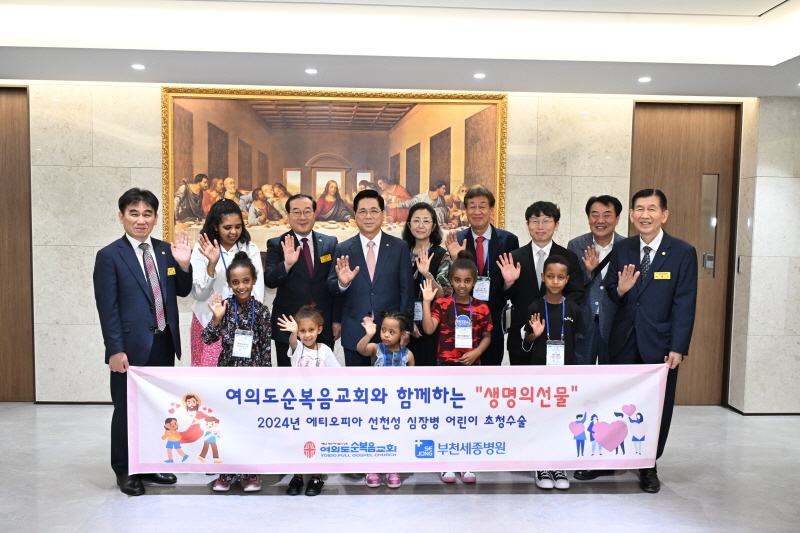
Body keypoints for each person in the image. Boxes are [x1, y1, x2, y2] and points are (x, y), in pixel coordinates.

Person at [93, 188, 193, 496]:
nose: (141, 220)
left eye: (147, 214)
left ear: (155, 217)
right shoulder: (110, 255)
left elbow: (182, 290)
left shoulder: (164, 251)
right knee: (126, 410)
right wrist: (115, 349)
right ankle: (125, 470)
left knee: (156, 409)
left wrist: (184, 264)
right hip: (130, 347)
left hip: (164, 343)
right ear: (121, 216)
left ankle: (149, 464)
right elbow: (107, 308)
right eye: (134, 214)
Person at [602, 188, 698, 493]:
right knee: (616, 402)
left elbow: (685, 303)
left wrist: (678, 346)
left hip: (660, 344)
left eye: (652, 209)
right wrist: (620, 290)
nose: (645, 215)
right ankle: (609, 459)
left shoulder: (682, 252)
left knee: (657, 406)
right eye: (640, 209)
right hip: (623, 341)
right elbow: (610, 289)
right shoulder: (623, 248)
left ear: (664, 215)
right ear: (631, 215)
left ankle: (648, 464)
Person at [202, 251, 272, 492]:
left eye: (245, 281)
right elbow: (207, 338)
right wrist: (216, 319)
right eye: (235, 282)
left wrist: (265, 380)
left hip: (253, 377)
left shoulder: (262, 312)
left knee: (249, 425)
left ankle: (250, 473)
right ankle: (226, 473)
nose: (241, 286)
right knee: (227, 424)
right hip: (228, 376)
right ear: (230, 284)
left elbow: (265, 348)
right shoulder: (224, 307)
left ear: (254, 281)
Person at [421, 251, 491, 484]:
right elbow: (428, 329)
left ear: (474, 282)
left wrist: (477, 352)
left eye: (467, 280)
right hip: (445, 368)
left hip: (471, 369)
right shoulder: (442, 304)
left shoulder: (482, 307)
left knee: (468, 417)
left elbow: (487, 337)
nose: (462, 285)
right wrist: (427, 301)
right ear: (450, 280)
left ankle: (466, 462)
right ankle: (446, 463)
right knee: (446, 416)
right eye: (457, 280)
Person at [327, 189, 415, 367]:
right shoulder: (343, 248)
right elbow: (331, 287)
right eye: (362, 211)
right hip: (355, 330)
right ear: (355, 215)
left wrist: (406, 326)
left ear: (382, 214)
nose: (368, 216)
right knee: (356, 381)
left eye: (374, 211)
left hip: (391, 331)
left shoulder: (399, 247)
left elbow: (407, 290)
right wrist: (342, 284)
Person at [521, 254, 583, 491]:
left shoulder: (574, 309)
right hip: (539, 375)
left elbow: (574, 340)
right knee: (541, 418)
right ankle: (541, 465)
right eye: (550, 276)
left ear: (567, 280)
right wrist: (534, 335)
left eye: (560, 277)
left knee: (561, 419)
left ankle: (558, 465)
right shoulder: (535, 307)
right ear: (543, 277)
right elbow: (526, 343)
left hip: (564, 376)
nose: (555, 281)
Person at [498, 201, 583, 366]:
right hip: (522, 333)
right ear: (527, 224)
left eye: (546, 221)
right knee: (522, 380)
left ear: (556, 225)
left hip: (557, 333)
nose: (540, 226)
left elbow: (577, 293)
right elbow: (503, 296)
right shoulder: (514, 257)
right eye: (535, 221)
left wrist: (554, 313)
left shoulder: (568, 257)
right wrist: (508, 283)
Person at [445, 186, 519, 366]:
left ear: (491, 210)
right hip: (462, 320)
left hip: (493, 320)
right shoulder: (457, 239)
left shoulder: (509, 240)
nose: (477, 211)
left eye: (482, 206)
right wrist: (455, 261)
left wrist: (509, 283)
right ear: (466, 210)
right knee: (461, 372)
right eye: (472, 206)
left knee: (490, 372)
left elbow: (513, 288)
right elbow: (449, 285)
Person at [265, 194, 341, 367]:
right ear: (288, 215)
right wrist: (287, 264)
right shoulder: (277, 244)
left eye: (307, 211)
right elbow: (270, 280)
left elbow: (334, 284)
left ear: (314, 213)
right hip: (289, 324)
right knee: (288, 376)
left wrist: (337, 320)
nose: (302, 217)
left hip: (322, 324)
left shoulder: (330, 243)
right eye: (296, 212)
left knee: (322, 376)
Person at [189, 199, 264, 367]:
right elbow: (199, 294)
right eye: (227, 227)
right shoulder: (202, 249)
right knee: (207, 377)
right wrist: (212, 264)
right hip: (208, 322)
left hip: (243, 326)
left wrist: (250, 321)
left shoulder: (250, 249)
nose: (234, 232)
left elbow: (257, 293)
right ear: (216, 227)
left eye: (238, 226)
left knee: (238, 378)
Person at [277, 306, 340, 496]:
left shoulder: (326, 350)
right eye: (302, 331)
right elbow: (293, 343)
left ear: (319, 330)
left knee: (316, 438)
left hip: (318, 406)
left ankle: (316, 476)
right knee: (296, 439)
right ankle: (297, 475)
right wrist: (293, 333)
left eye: (311, 330)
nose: (307, 334)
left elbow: (337, 374)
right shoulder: (298, 348)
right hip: (297, 405)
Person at [357, 310, 415, 489]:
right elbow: (361, 349)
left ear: (402, 334)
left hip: (396, 405)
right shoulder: (376, 349)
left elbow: (413, 381)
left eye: (392, 332)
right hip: (376, 404)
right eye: (383, 330)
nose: (386, 335)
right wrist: (369, 335)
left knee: (395, 436)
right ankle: (372, 468)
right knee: (374, 434)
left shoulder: (408, 355)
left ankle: (393, 468)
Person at [567, 195, 625, 365]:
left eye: (607, 215)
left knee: (612, 377)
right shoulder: (575, 245)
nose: (600, 220)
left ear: (617, 219)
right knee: (580, 376)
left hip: (615, 324)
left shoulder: (627, 246)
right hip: (583, 325)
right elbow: (569, 285)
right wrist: (587, 272)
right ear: (588, 218)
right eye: (595, 215)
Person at [402, 203, 452, 366]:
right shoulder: (400, 252)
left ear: (433, 226)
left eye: (426, 221)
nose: (421, 226)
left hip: (433, 326)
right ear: (409, 225)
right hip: (403, 327)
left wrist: (427, 274)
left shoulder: (442, 255)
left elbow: (444, 294)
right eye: (416, 221)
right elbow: (394, 291)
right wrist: (407, 324)